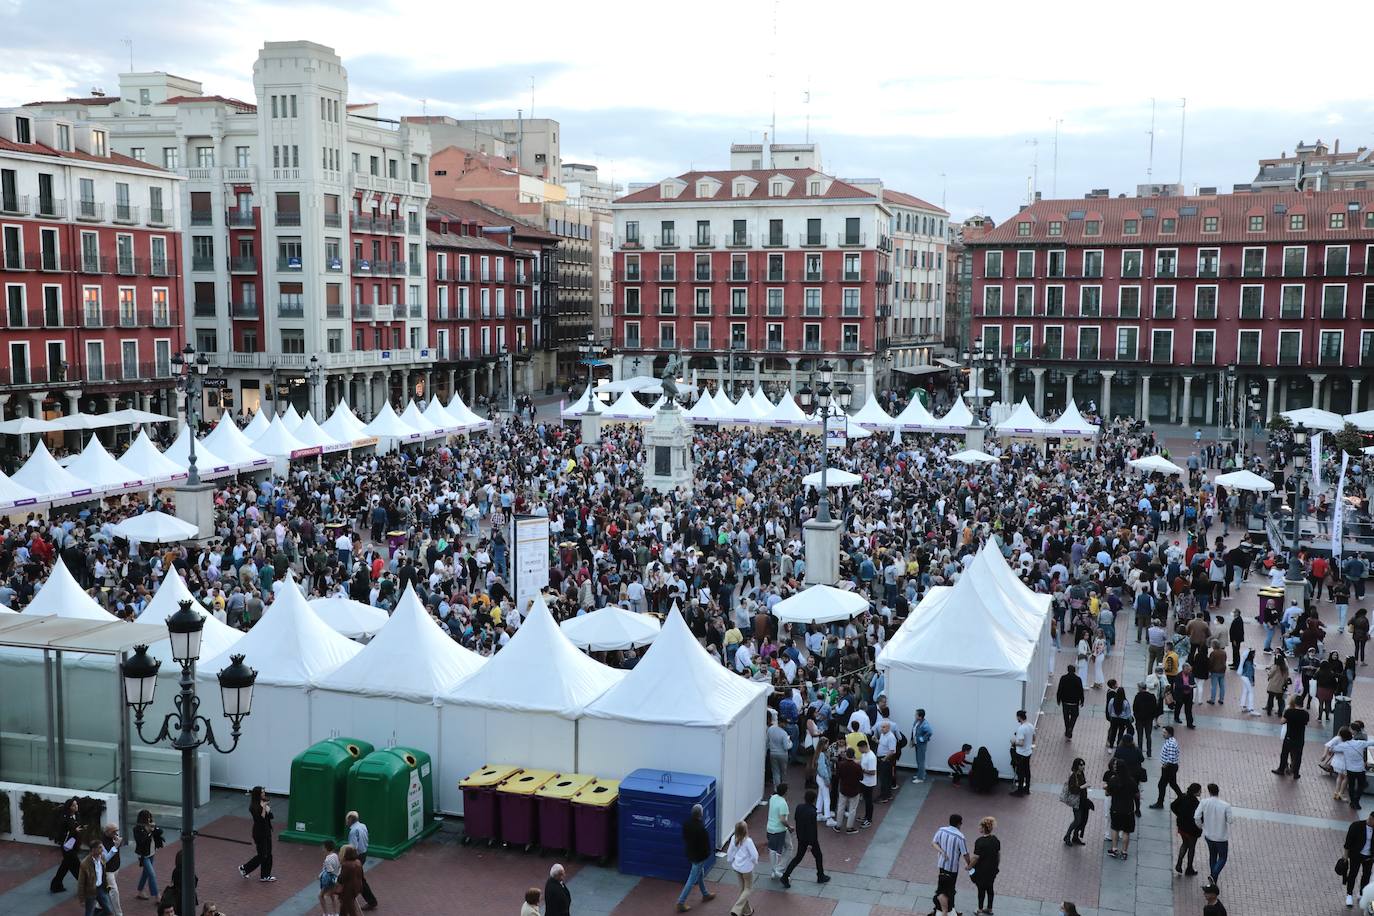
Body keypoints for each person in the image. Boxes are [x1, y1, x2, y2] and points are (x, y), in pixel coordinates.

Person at [780, 788, 830, 888]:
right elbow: (813, 830)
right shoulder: (812, 812)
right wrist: (811, 844)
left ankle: (785, 876)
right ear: (814, 800)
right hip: (810, 840)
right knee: (818, 856)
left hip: (801, 838)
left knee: (798, 857)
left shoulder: (799, 807)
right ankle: (820, 875)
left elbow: (796, 820)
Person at [676, 804, 717, 912]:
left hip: (691, 854)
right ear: (701, 814)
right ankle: (681, 902)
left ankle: (705, 894)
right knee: (692, 879)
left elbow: (685, 837)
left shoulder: (687, 824)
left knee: (700, 874)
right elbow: (706, 845)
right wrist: (708, 854)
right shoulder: (701, 829)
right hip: (699, 857)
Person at [930, 813, 972, 915]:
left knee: (941, 888)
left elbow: (933, 843)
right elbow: (965, 854)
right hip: (952, 869)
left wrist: (941, 851)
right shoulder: (960, 837)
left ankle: (938, 908)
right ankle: (950, 910)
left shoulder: (941, 830)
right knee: (951, 890)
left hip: (941, 865)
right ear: (959, 824)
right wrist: (970, 864)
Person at [239, 786, 275, 882]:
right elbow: (260, 820)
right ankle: (245, 868)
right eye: (262, 792)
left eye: (264, 792)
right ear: (257, 794)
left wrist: (268, 809)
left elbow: (271, 817)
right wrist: (263, 808)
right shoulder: (254, 806)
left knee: (268, 854)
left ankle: (265, 875)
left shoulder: (264, 803)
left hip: (267, 832)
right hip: (259, 833)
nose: (264, 794)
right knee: (262, 855)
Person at [1197, 783, 1232, 884]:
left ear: (1209, 791)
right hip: (1221, 837)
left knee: (1213, 856)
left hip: (1209, 835)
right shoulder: (1226, 805)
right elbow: (1230, 820)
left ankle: (1213, 880)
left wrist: (1200, 826)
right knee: (1222, 857)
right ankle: (1214, 875)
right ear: (1218, 791)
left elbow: (1196, 816)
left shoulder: (1204, 802)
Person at [344, 811, 377, 910]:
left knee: (358, 880)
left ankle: (370, 901)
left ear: (350, 819)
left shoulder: (353, 831)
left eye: (347, 819)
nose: (346, 821)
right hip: (363, 854)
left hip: (357, 857)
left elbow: (353, 848)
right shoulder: (363, 826)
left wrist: (348, 860)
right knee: (358, 878)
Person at [1273, 694, 1311, 778]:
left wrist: (1285, 713)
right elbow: (1306, 723)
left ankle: (1281, 769)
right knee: (1298, 756)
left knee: (1285, 753)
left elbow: (1282, 722)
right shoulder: (1305, 714)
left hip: (1289, 736)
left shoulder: (1289, 712)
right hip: (1300, 738)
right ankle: (1296, 772)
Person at [50, 796, 82, 894]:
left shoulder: (77, 815)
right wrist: (74, 831)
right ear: (69, 808)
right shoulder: (64, 819)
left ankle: (55, 885)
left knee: (65, 866)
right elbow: (63, 834)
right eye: (73, 805)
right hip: (67, 847)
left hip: (74, 846)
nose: (76, 806)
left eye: (76, 804)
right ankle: (84, 885)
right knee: (76, 867)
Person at [969, 816, 1001, 915]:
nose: (979, 828)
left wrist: (969, 866)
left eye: (980, 826)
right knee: (990, 888)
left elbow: (976, 857)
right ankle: (990, 908)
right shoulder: (995, 840)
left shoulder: (979, 841)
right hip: (992, 870)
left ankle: (979, 909)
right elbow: (998, 855)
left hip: (981, 870)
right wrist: (996, 866)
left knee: (981, 889)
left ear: (983, 828)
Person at [1105, 760, 1136, 861]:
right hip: (1128, 809)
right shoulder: (1131, 781)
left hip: (1116, 809)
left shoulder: (1113, 780)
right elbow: (1137, 795)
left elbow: (1107, 793)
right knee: (1126, 832)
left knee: (1115, 828)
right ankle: (1124, 852)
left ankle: (1114, 849)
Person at [725, 821, 758, 916]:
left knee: (742, 889)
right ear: (745, 830)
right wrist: (753, 862)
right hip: (747, 869)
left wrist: (731, 861)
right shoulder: (748, 841)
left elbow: (730, 853)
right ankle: (736, 909)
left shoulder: (733, 838)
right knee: (748, 889)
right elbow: (754, 855)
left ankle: (747, 911)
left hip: (737, 867)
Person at [1342, 812, 1374, 908]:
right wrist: (1345, 856)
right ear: (1370, 817)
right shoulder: (1356, 826)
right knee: (1353, 874)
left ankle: (1361, 893)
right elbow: (1348, 842)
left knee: (1366, 876)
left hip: (1369, 857)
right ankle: (1349, 895)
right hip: (1356, 855)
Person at [1171, 783, 1202, 876]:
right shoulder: (1196, 803)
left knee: (1185, 844)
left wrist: (1179, 815)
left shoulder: (1183, 796)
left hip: (1182, 826)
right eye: (1199, 790)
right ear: (1195, 792)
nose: (1201, 792)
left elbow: (1173, 806)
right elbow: (1199, 817)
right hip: (1192, 829)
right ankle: (1189, 868)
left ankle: (1179, 864)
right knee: (1191, 848)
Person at [133, 809, 163, 902]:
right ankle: (157, 896)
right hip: (143, 855)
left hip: (151, 853)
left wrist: (154, 828)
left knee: (146, 873)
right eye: (147, 819)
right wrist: (149, 832)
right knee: (152, 874)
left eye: (150, 818)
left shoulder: (151, 825)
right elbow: (141, 841)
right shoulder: (137, 829)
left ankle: (139, 891)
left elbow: (160, 831)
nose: (149, 820)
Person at [1150, 725, 1183, 808]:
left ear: (1170, 734)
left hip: (1169, 768)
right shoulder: (1170, 741)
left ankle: (1160, 803)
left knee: (1161, 785)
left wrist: (1165, 765)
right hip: (1171, 767)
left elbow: (1171, 758)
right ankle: (1182, 797)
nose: (1163, 734)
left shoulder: (1171, 743)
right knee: (1173, 783)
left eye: (1165, 732)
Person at [77, 840, 112, 916]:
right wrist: (81, 899)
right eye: (100, 848)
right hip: (90, 891)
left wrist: (106, 884)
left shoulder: (102, 857)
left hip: (101, 889)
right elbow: (81, 883)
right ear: (93, 850)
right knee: (89, 913)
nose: (102, 849)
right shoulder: (85, 864)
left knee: (109, 912)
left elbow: (103, 873)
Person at [765, 783, 792, 879]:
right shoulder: (783, 803)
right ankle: (778, 869)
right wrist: (789, 827)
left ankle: (775, 869)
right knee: (788, 848)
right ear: (785, 792)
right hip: (780, 830)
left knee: (773, 849)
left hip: (770, 828)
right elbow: (782, 819)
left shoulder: (773, 798)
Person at [834, 747, 863, 834]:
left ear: (846, 755)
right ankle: (849, 827)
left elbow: (837, 776)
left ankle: (838, 826)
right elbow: (861, 778)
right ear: (854, 755)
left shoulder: (841, 764)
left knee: (840, 807)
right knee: (852, 809)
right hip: (854, 790)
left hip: (843, 789)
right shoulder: (857, 766)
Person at [1056, 665, 1084, 740]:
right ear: (1074, 670)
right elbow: (1081, 690)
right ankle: (1070, 727)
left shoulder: (1063, 678)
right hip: (1075, 702)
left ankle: (1067, 728)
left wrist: (1058, 699)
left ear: (1067, 670)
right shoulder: (1078, 679)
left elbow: (1060, 689)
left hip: (1065, 701)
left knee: (1066, 716)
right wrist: (1082, 700)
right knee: (1075, 715)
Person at [1009, 709, 1034, 795]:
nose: (1017, 719)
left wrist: (1014, 742)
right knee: (1027, 771)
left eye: (1017, 717)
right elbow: (1034, 738)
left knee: (1020, 772)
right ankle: (1027, 788)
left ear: (1019, 717)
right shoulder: (1031, 726)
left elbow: (1021, 743)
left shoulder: (1021, 728)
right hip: (1028, 752)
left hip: (1021, 753)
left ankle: (1019, 790)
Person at [765, 712, 791, 790]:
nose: (786, 724)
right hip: (783, 754)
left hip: (773, 753)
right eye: (785, 723)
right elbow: (786, 747)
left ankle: (776, 789)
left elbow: (767, 742)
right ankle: (782, 788)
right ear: (781, 723)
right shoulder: (784, 733)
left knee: (775, 772)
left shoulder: (770, 729)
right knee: (783, 772)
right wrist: (791, 743)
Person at [337, 845, 363, 916]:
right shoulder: (358, 862)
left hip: (348, 889)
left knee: (350, 908)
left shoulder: (346, 865)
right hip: (356, 887)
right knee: (344, 906)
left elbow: (341, 878)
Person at [876, 721, 898, 802]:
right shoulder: (883, 735)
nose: (881, 729)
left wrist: (884, 759)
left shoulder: (891, 737)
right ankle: (887, 795)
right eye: (881, 727)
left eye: (884, 727)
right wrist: (876, 741)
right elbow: (882, 744)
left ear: (889, 728)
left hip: (885, 760)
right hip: (882, 759)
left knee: (884, 778)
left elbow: (892, 751)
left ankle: (884, 797)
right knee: (885, 778)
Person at [858, 738, 877, 828]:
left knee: (869, 801)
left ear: (864, 747)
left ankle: (869, 819)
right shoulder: (864, 754)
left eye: (860, 749)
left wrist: (863, 770)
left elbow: (873, 772)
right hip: (863, 781)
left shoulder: (871, 757)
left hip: (869, 783)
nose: (859, 750)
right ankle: (866, 816)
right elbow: (861, 762)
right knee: (866, 800)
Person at [910, 708, 934, 782]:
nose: (914, 715)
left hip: (921, 745)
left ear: (920, 716)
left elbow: (930, 732)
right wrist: (912, 740)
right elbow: (913, 730)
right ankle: (921, 773)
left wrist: (922, 739)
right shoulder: (917, 721)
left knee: (921, 761)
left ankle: (920, 778)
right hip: (916, 743)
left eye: (916, 714)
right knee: (918, 760)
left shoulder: (925, 724)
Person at [318, 840, 341, 916]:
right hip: (335, 879)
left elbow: (329, 871)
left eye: (323, 847)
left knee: (321, 896)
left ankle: (325, 913)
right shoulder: (335, 855)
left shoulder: (327, 859)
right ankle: (335, 913)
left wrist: (321, 876)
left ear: (326, 848)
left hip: (329, 881)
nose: (322, 848)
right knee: (332, 896)